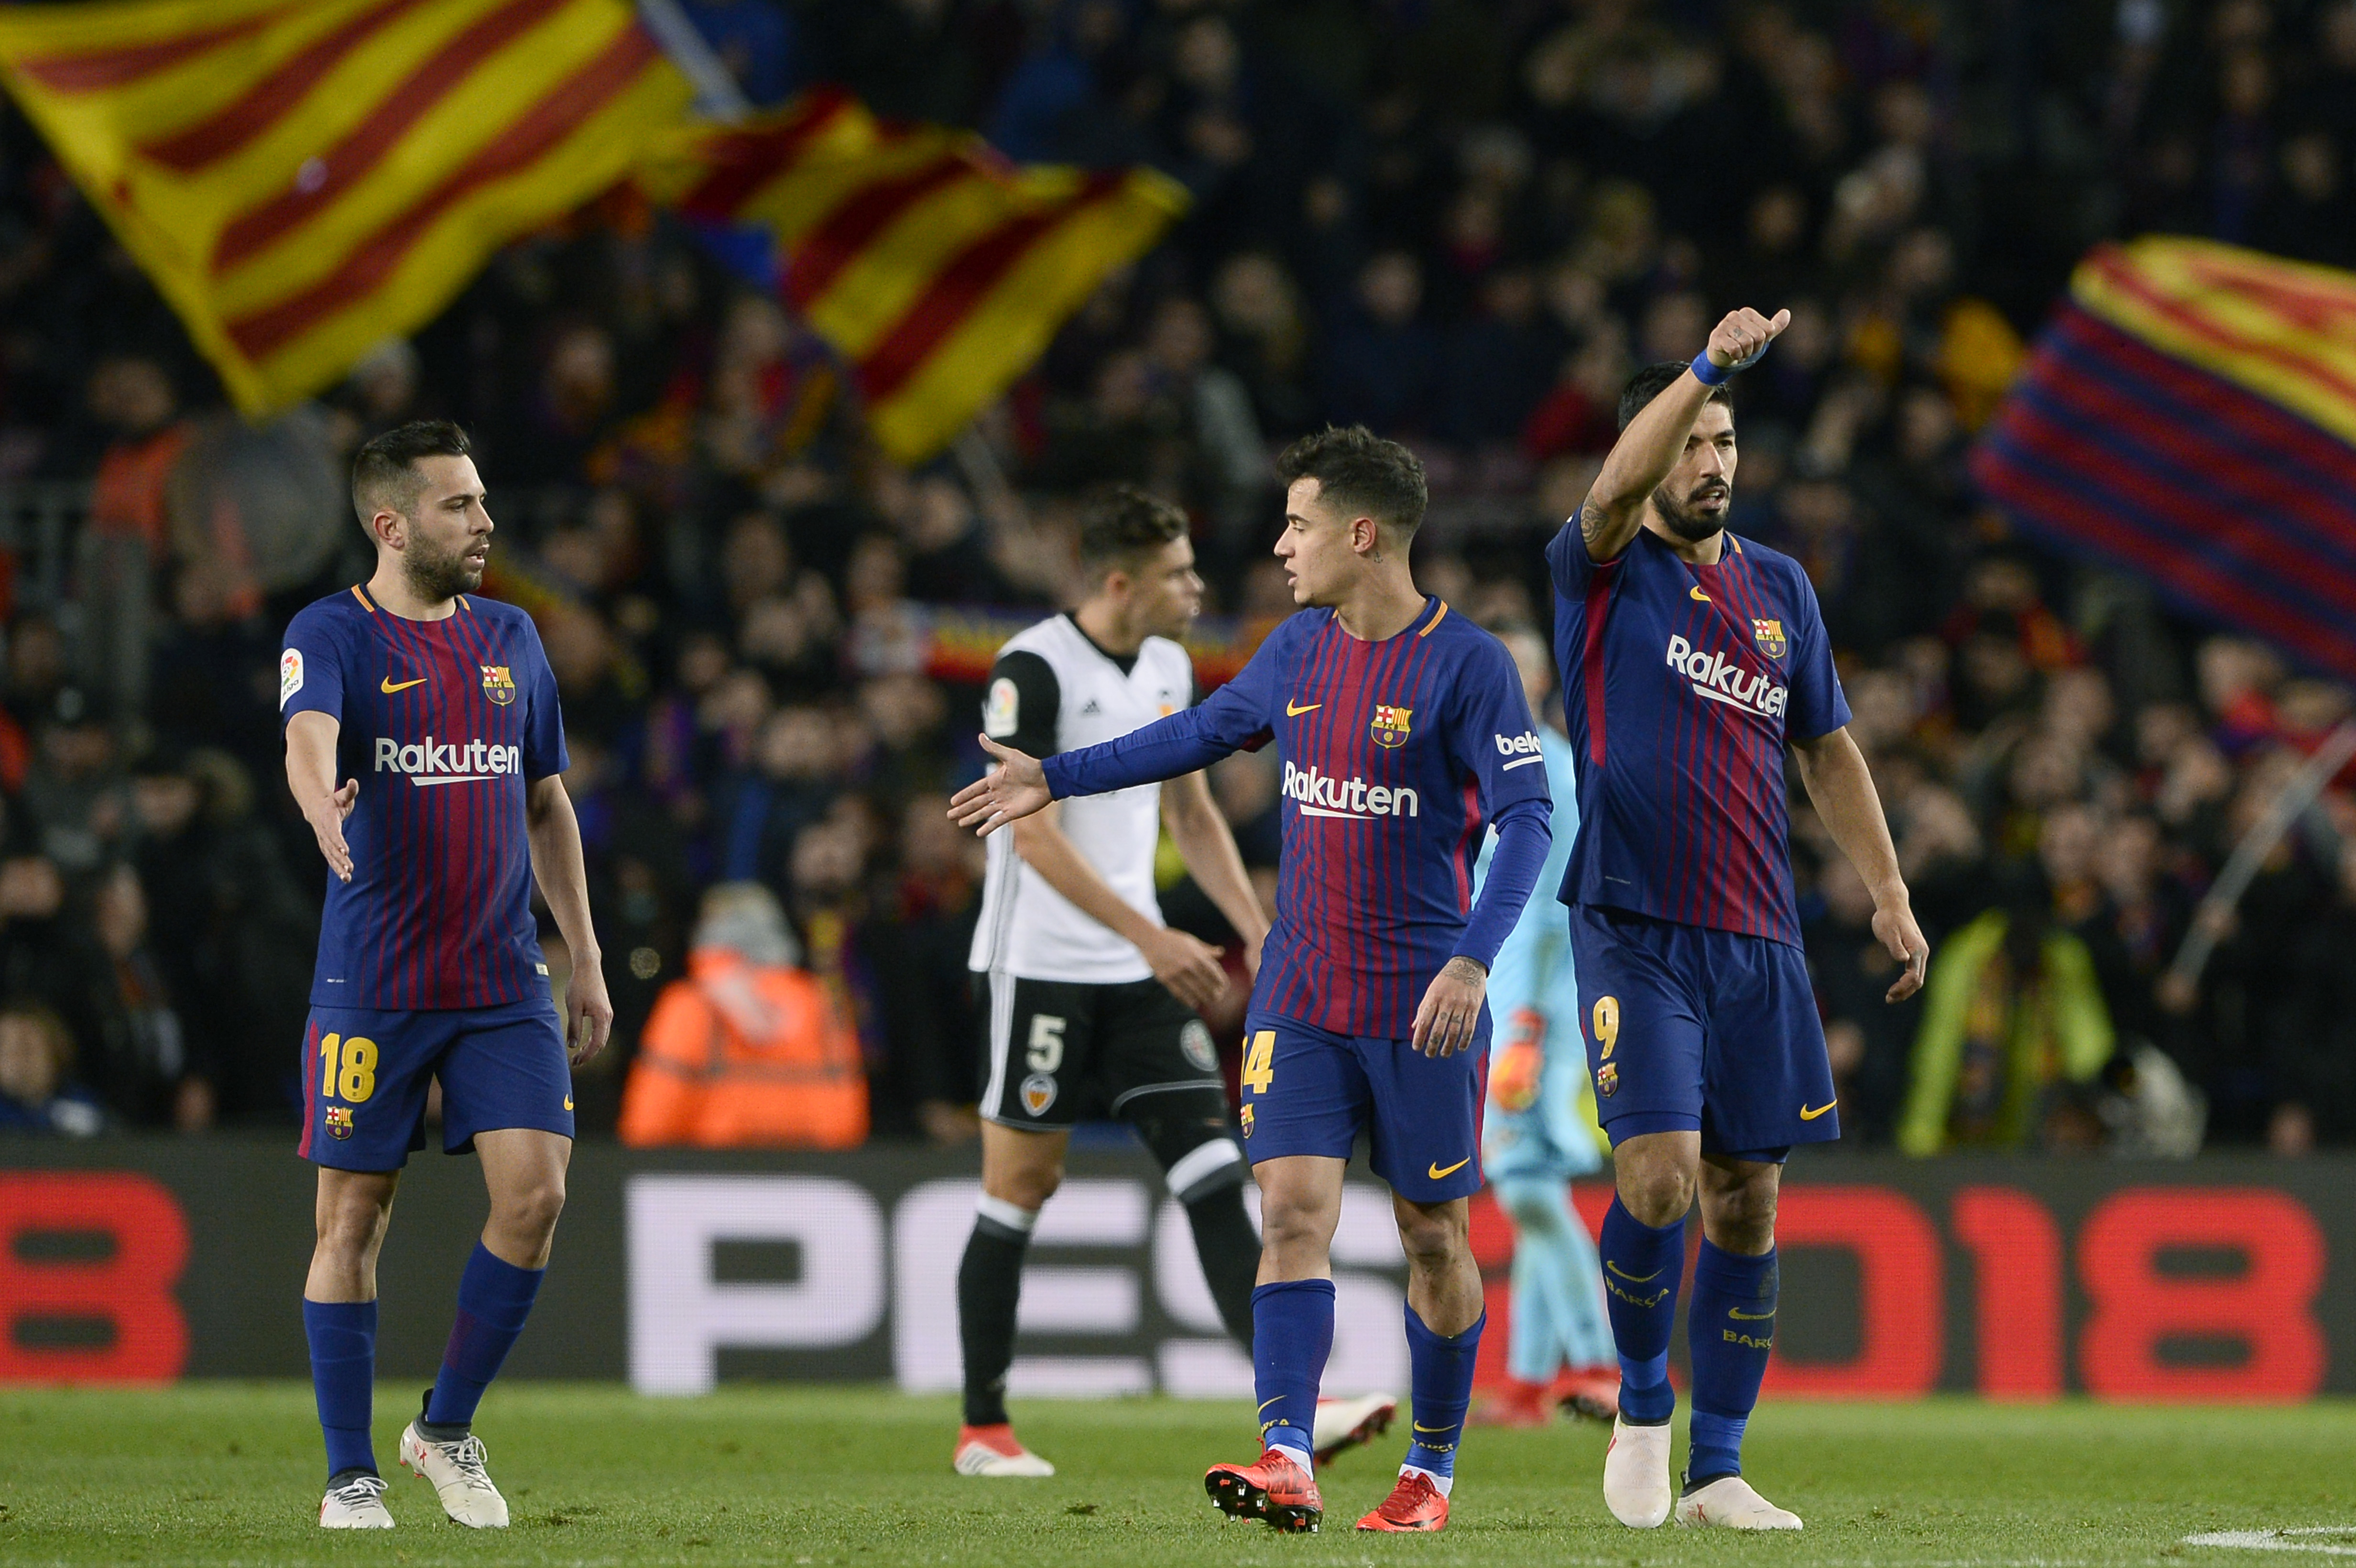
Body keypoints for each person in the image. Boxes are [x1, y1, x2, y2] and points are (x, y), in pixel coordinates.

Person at [950, 430, 1554, 1533]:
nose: (1280, 545)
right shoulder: (1296, 648)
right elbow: (1191, 736)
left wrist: (1474, 957)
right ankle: (1287, 1453)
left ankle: (1431, 1469)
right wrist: (1054, 776)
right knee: (1290, 1215)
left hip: (1424, 997)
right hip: (1303, 989)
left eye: (1299, 524)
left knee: (1432, 1232)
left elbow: (1528, 819)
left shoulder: (1468, 664)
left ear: (1361, 535)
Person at [1549, 314, 1928, 1531]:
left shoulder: (1781, 589)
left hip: (1757, 934)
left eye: (1725, 440)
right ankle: (1645, 1406)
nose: (1714, 460)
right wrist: (1703, 363)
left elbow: (1827, 746)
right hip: (1632, 921)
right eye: (1693, 440)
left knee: (1746, 1199)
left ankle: (1719, 1467)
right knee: (1657, 1181)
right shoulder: (1601, 566)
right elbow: (1609, 489)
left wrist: (1888, 888)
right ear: (1651, 451)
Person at [280, 421, 613, 1531]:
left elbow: (546, 800)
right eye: (460, 506)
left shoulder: (514, 635)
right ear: (392, 524)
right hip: (372, 978)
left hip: (503, 976)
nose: (486, 523)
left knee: (538, 1195)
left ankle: (447, 1426)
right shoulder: (329, 630)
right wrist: (321, 790)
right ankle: (348, 1471)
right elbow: (306, 735)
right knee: (352, 1221)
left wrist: (588, 955)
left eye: (481, 500)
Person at [951, 485, 1283, 1478]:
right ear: (1118, 581)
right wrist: (1154, 934)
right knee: (1022, 1183)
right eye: (1180, 571)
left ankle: (1287, 1414)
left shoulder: (1174, 664)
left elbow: (1190, 812)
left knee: (1213, 1166)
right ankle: (983, 1426)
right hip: (1040, 965)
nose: (1197, 585)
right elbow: (1029, 827)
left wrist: (1254, 929)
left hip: (1140, 970)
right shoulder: (1032, 667)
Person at [1469, 626, 1618, 1428]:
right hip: (1502, 1003)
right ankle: (1528, 1382)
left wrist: (1525, 1022)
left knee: (1525, 1187)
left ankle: (1600, 1364)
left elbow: (1555, 912)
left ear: (1529, 682)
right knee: (1532, 1191)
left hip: (1536, 1010)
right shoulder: (1492, 765)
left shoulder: (1551, 770)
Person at [617, 882, 867, 1149]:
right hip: (813, 1177)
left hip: (709, 1178)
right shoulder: (824, 1001)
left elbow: (649, 1125)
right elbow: (850, 1117)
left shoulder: (690, 1004)